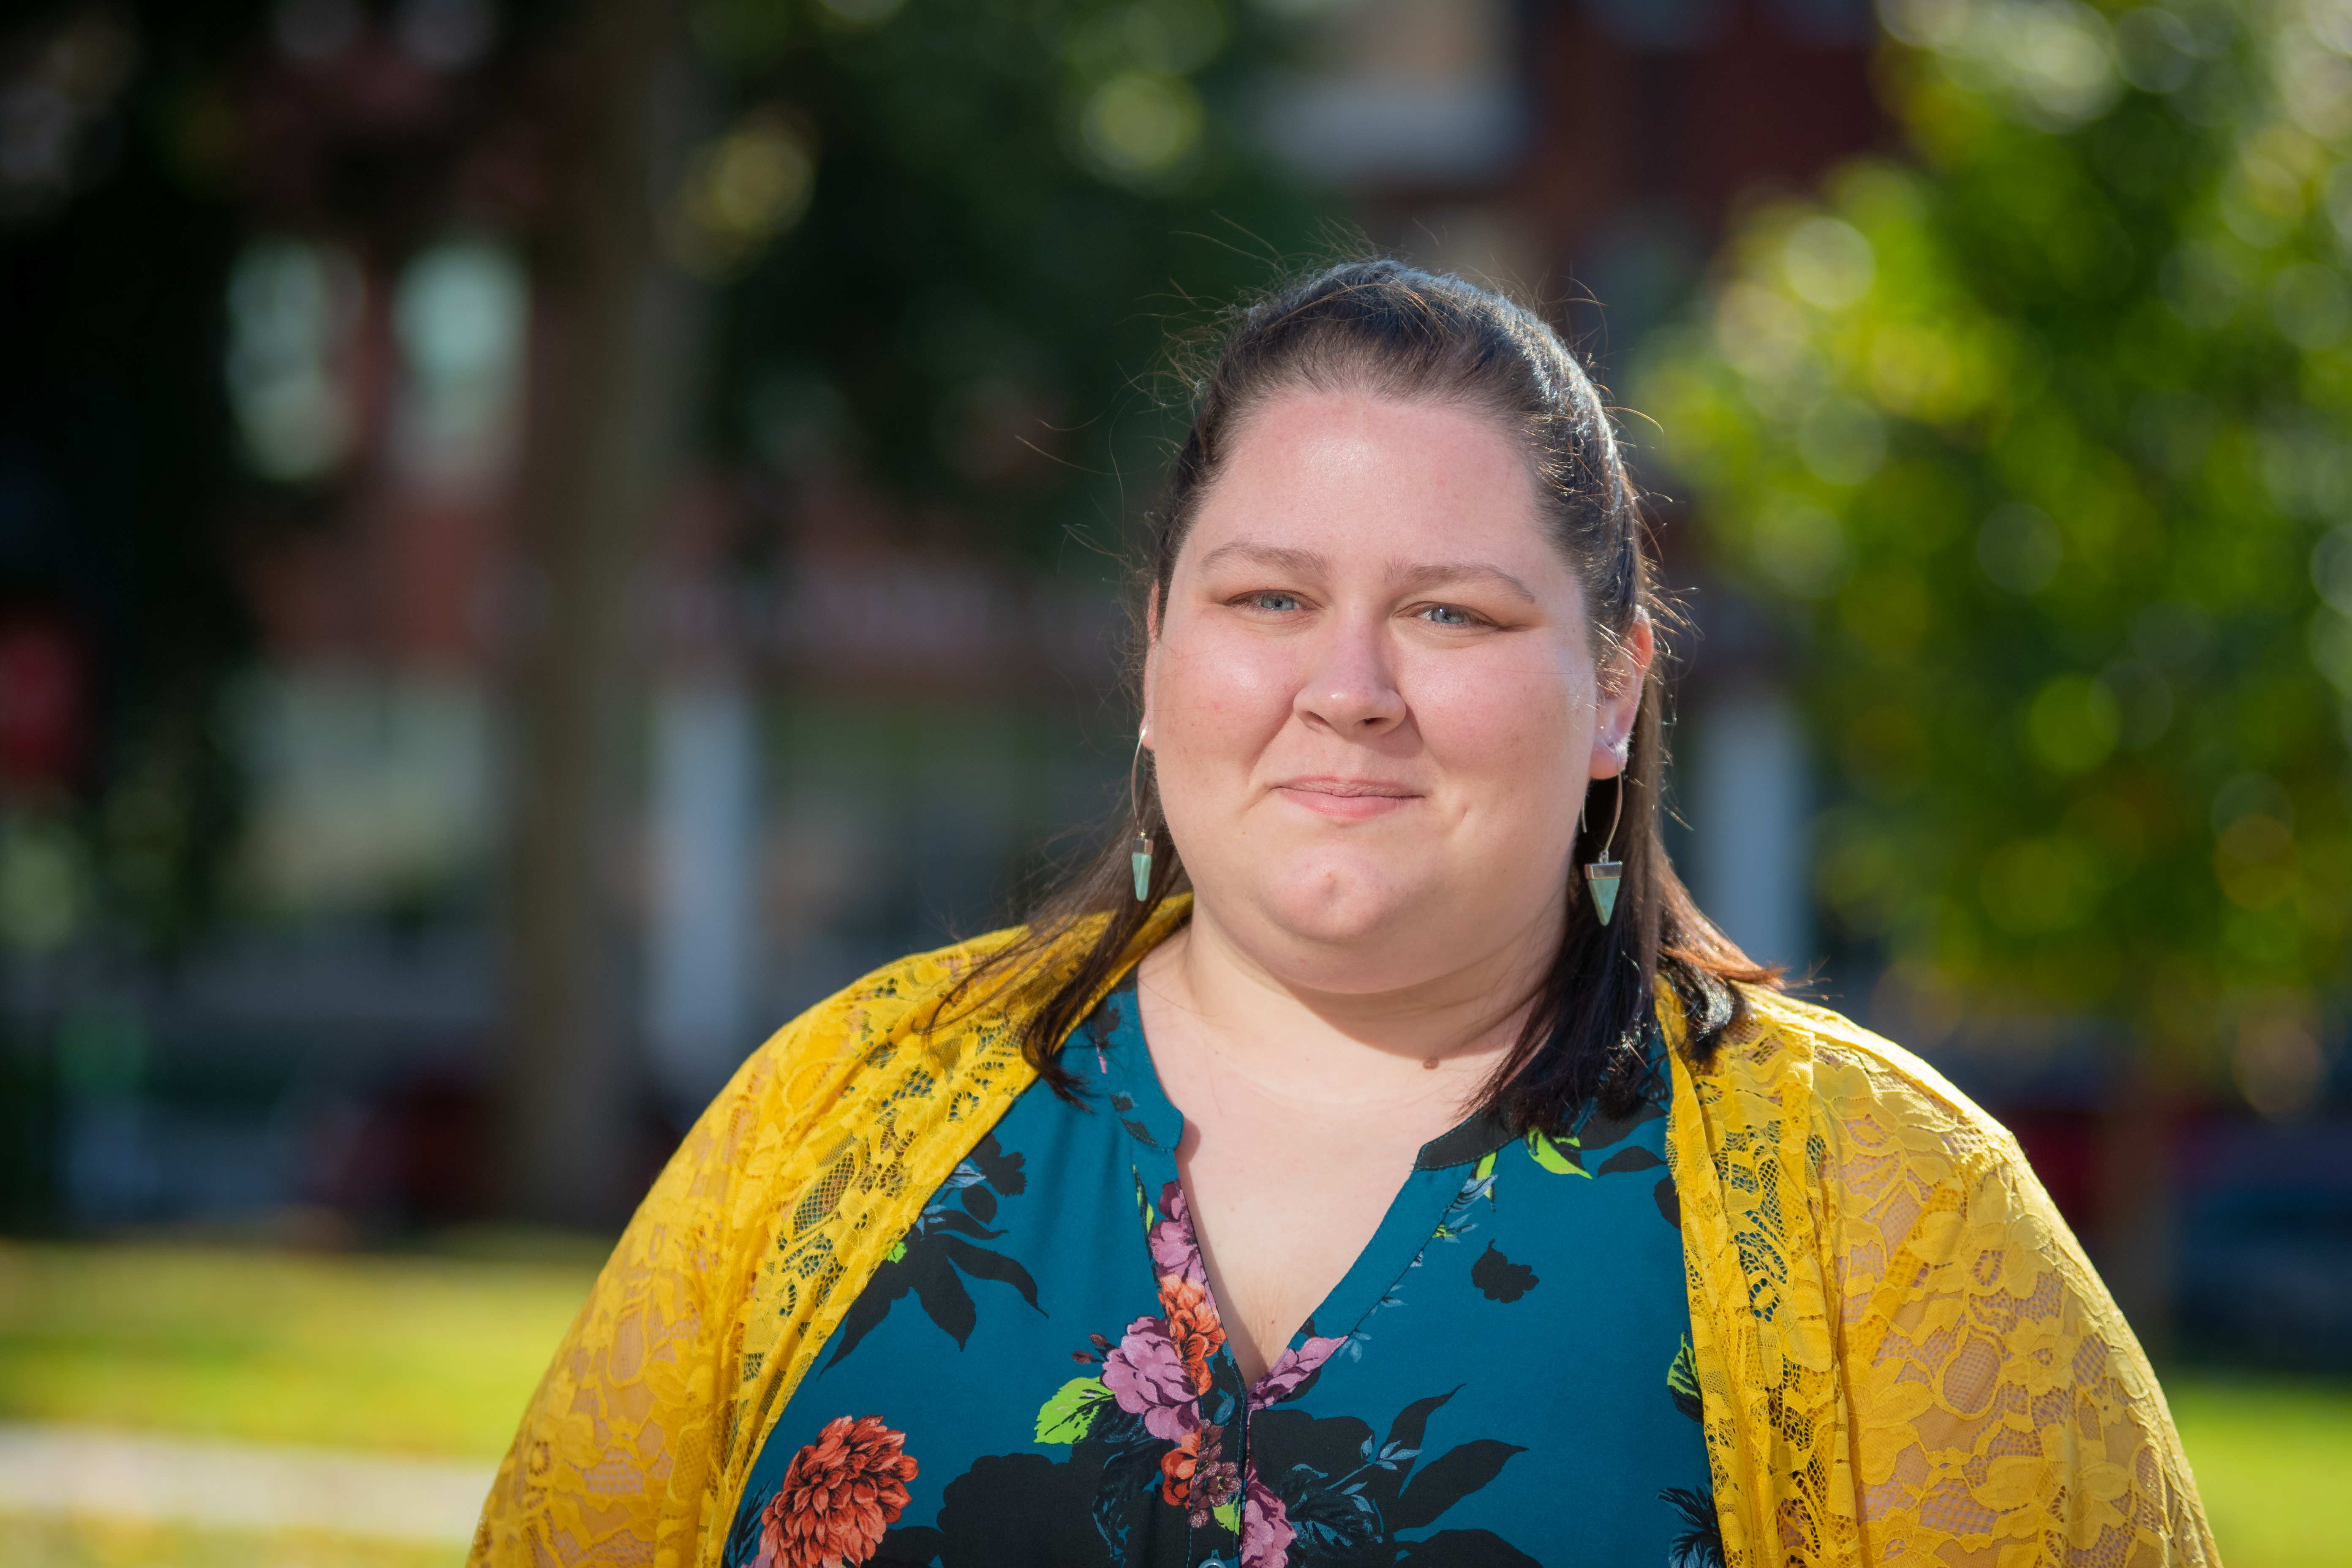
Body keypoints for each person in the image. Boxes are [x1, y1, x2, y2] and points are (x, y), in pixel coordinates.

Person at [469, 262, 2215, 1568]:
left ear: (1612, 696)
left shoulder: (1895, 1223)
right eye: (1271, 596)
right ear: (1159, 652)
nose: (1351, 687)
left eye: (1452, 615)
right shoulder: (829, 1120)